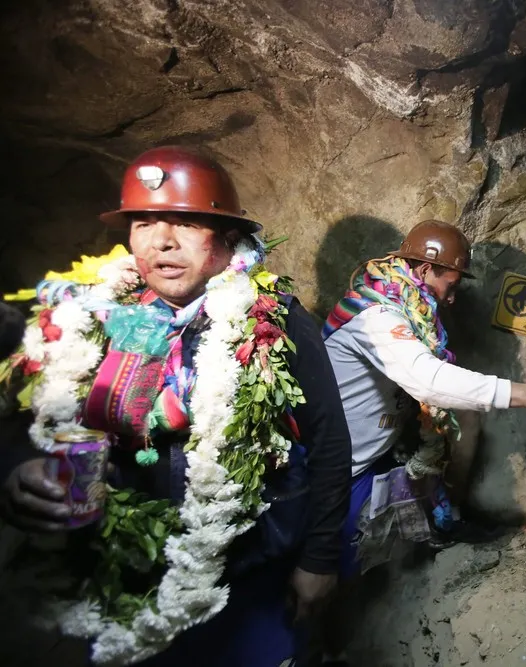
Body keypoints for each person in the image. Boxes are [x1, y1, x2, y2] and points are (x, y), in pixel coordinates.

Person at [0, 146, 352, 667]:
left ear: (227, 237)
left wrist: (320, 559)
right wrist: (18, 472)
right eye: (144, 223)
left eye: (185, 223)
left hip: (244, 571)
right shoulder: (89, 317)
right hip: (125, 565)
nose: (161, 241)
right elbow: (33, 420)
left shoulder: (274, 322)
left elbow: (329, 442)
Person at [323, 220, 526, 566]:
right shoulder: (377, 316)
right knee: (340, 568)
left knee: (465, 417)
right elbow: (428, 380)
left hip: (380, 450)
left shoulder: (409, 308)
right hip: (345, 468)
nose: (451, 297)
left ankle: (446, 521)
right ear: (425, 270)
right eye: (451, 284)